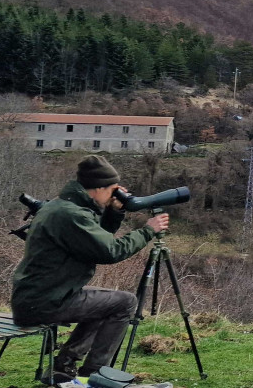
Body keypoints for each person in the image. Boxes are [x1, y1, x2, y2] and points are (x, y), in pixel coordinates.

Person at [12, 155, 169, 383]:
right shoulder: (71, 214)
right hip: (44, 303)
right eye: (113, 190)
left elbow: (94, 240)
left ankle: (64, 366)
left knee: (106, 303)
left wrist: (114, 212)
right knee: (125, 303)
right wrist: (147, 231)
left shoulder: (61, 207)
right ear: (97, 188)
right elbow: (110, 251)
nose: (115, 195)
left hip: (36, 298)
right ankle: (94, 375)